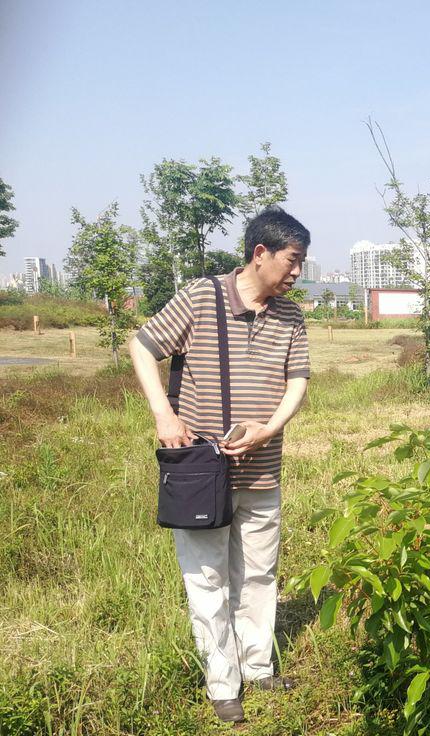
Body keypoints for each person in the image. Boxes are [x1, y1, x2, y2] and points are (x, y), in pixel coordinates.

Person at [129, 207, 311, 723]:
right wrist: (164, 414)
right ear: (261, 254)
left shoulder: (291, 316)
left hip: (262, 469)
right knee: (208, 578)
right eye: (293, 260)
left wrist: (268, 429)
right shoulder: (201, 297)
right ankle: (222, 682)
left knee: (258, 572)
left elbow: (297, 381)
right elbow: (141, 346)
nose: (297, 271)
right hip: (200, 472)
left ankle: (257, 668)